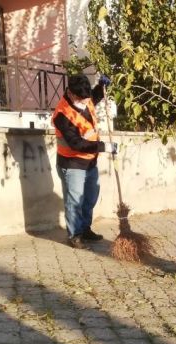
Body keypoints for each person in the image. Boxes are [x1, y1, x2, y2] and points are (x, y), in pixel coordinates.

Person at [52, 73, 118, 249]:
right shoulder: (62, 114)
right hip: (72, 163)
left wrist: (101, 87)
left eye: (86, 98)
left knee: (90, 197)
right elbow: (76, 144)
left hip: (90, 162)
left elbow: (94, 97)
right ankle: (75, 235)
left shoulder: (85, 98)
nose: (85, 102)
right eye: (81, 99)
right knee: (75, 201)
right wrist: (104, 147)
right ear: (71, 94)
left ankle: (85, 228)